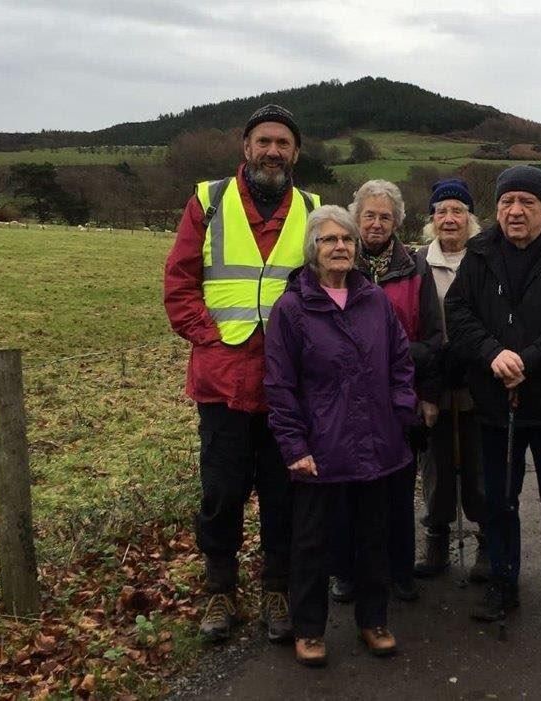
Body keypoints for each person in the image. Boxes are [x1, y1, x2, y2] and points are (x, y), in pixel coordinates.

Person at [163, 104, 318, 643]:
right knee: (222, 492)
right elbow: (180, 281)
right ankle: (220, 591)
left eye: (283, 143)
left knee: (284, 494)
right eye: (264, 141)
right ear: (245, 148)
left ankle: (277, 589)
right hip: (222, 380)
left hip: (290, 384)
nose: (273, 151)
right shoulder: (207, 201)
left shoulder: (314, 208)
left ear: (296, 153)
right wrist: (209, 337)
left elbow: (331, 285)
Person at [445, 165, 541, 630]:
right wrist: (493, 353)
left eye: (526, 203)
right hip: (494, 404)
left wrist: (528, 359)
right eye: (506, 202)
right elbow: (458, 312)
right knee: (500, 500)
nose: (515, 211)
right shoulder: (479, 252)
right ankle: (502, 581)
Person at [264, 205, 417, 667]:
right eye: (330, 240)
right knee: (312, 543)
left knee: (374, 537)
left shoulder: (375, 301)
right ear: (313, 249)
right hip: (321, 449)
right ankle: (309, 629)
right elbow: (279, 385)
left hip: (377, 444)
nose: (340, 247)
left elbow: (401, 365)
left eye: (347, 240)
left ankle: (374, 621)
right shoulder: (292, 309)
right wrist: (294, 447)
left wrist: (401, 415)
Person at [329, 180, 442, 604]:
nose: (376, 224)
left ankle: (399, 571)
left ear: (397, 222)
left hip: (400, 398)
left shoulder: (416, 268)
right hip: (343, 402)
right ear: (355, 218)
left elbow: (433, 339)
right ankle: (345, 571)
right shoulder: (337, 261)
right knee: (346, 488)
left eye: (385, 216)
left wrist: (426, 395)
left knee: (398, 486)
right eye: (369, 215)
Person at [412, 178, 490, 582]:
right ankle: (437, 540)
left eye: (457, 211)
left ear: (469, 218)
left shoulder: (485, 258)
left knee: (479, 464)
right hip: (434, 379)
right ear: (432, 219)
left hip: (477, 377)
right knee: (436, 467)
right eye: (441, 211)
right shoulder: (418, 261)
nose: (449, 218)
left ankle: (487, 543)